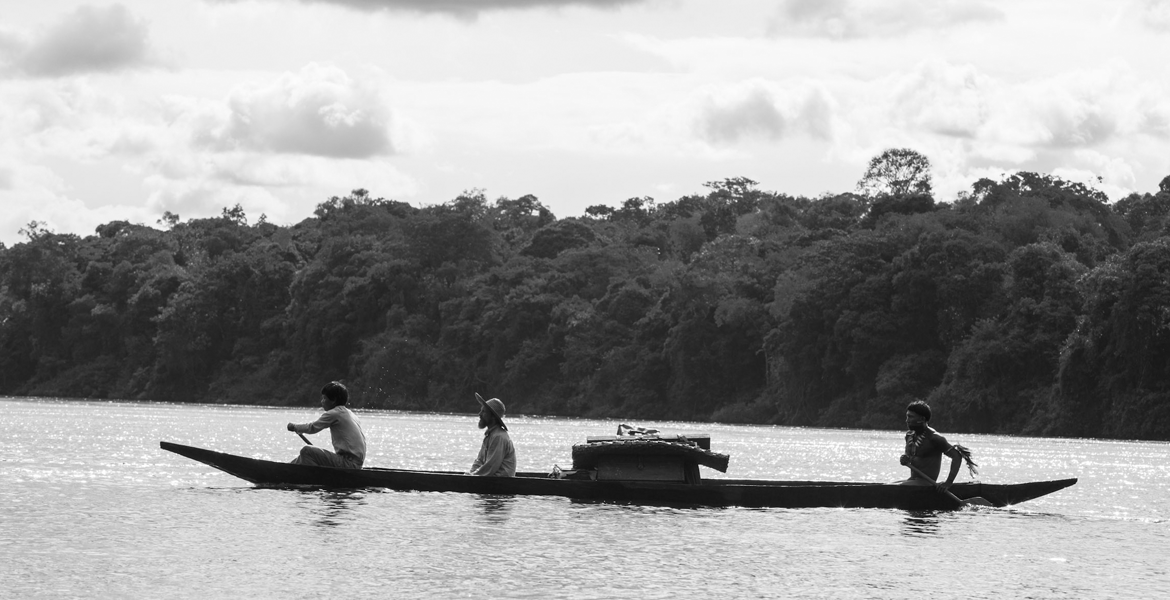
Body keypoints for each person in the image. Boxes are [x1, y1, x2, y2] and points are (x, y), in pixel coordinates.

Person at [899, 400, 977, 491]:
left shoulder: (934, 438)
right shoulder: (909, 436)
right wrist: (905, 459)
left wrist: (948, 482)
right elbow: (911, 457)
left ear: (922, 419)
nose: (907, 420)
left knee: (896, 488)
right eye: (907, 416)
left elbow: (957, 456)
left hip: (927, 484)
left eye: (910, 417)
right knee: (888, 485)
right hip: (912, 481)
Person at [287, 381, 367, 469]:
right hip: (356, 464)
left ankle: (312, 476)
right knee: (305, 456)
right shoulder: (350, 414)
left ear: (334, 400)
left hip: (348, 464)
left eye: (324, 398)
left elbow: (312, 427)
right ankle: (287, 468)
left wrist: (295, 427)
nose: (322, 401)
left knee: (307, 451)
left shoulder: (335, 413)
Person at [468, 394, 516, 477]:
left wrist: (472, 477)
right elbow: (479, 461)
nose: (479, 414)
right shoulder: (490, 435)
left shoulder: (499, 437)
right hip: (490, 480)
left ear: (493, 417)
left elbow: (490, 467)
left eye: (483, 412)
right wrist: (471, 474)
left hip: (500, 483)